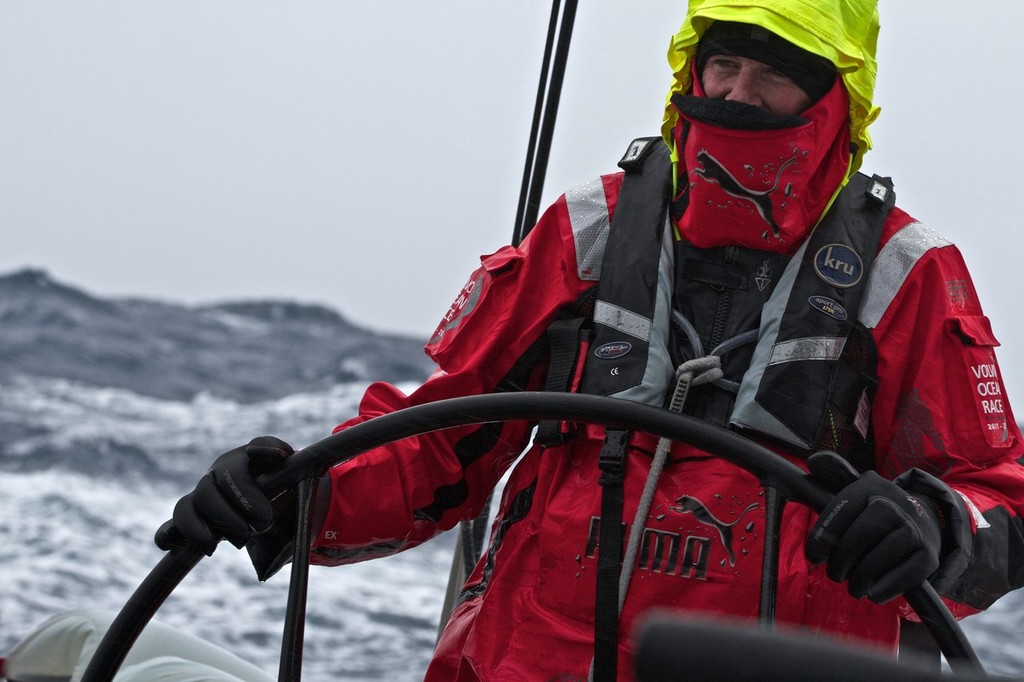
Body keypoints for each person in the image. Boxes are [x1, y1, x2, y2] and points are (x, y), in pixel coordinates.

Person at [157, 1, 1024, 680]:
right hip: (528, 664)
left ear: (835, 101)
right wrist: (294, 494)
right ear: (689, 68)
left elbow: (1003, 501)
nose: (735, 92)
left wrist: (928, 521)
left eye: (771, 74)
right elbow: (440, 441)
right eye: (722, 61)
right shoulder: (590, 232)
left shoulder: (905, 274)